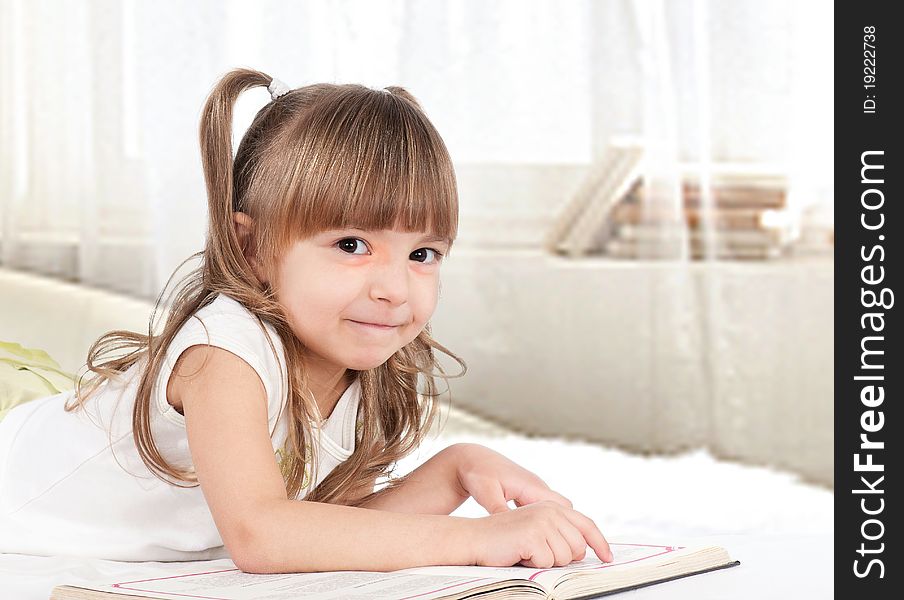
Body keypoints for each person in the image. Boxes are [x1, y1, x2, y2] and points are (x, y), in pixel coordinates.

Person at [0, 67, 612, 573]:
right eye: (351, 244)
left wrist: (455, 469)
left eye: (422, 254)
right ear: (251, 247)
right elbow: (263, 537)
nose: (395, 289)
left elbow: (328, 533)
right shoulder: (224, 353)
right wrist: (480, 543)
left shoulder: (353, 359)